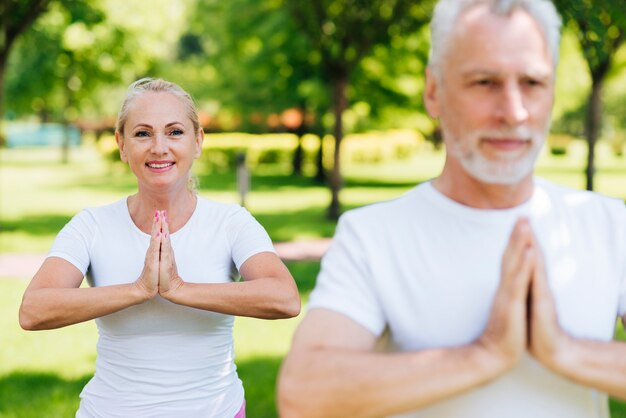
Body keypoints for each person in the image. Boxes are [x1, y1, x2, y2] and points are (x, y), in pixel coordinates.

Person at [277, 0, 626, 417]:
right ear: (433, 92)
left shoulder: (608, 223)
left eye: (532, 82)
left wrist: (565, 351)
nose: (513, 112)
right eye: (484, 82)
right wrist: (487, 354)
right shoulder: (373, 236)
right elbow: (304, 395)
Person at [19, 78, 301, 418]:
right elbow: (33, 310)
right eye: (142, 134)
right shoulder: (92, 225)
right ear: (121, 144)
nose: (159, 147)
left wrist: (179, 289)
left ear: (197, 141)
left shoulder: (230, 222)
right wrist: (138, 289)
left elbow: (285, 298)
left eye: (175, 132)